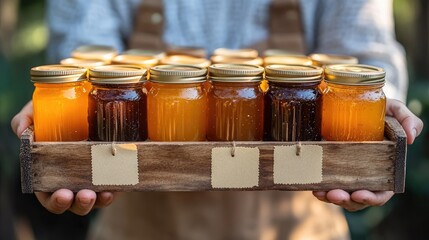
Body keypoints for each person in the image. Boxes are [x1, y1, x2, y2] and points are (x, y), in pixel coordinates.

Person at [11, 0, 424, 239]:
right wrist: (65, 139)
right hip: (140, 217)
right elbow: (83, 49)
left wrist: (381, 117)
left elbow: (365, 50)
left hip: (298, 221)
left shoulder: (297, 91)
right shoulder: (137, 91)